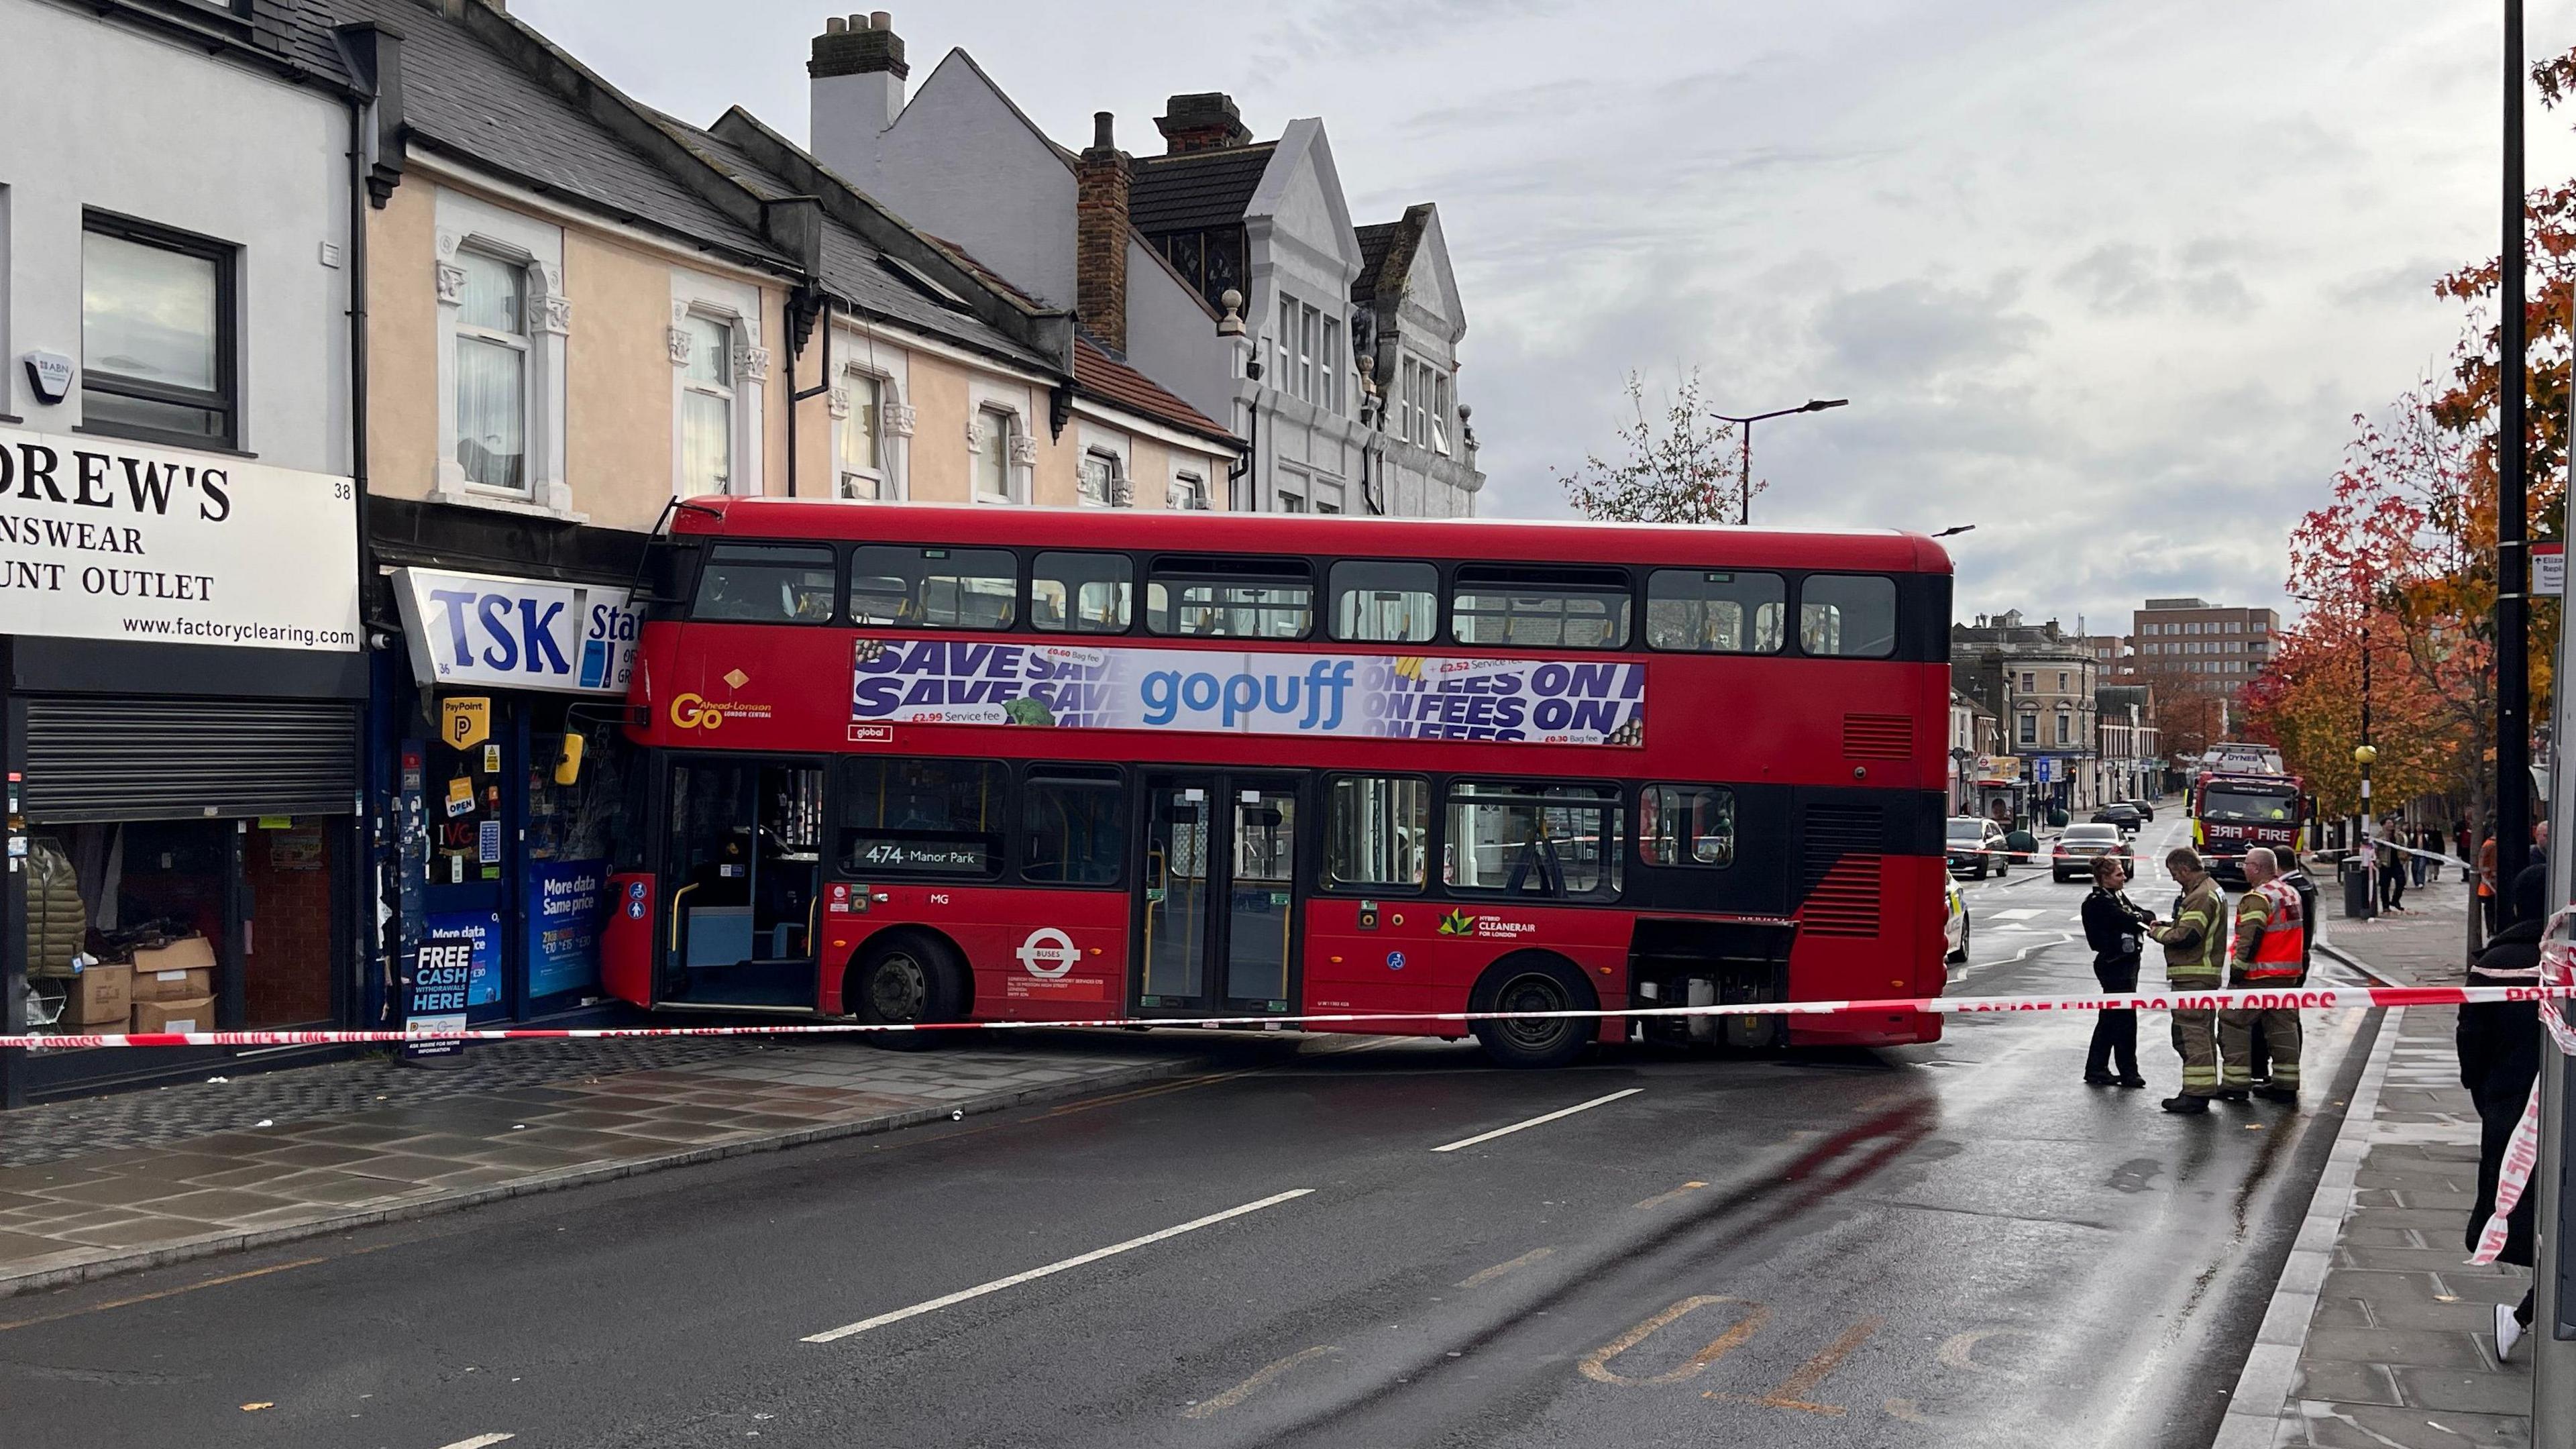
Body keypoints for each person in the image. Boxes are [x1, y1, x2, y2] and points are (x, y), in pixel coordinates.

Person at [2460, 865, 2546, 1358]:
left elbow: (2471, 1035)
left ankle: (2525, 1312)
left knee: (2524, 1206)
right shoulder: (2560, 961)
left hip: (2509, 1100)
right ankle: (2526, 1313)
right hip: (2542, 1099)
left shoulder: (2498, 960)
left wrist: (2484, 1091)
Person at [2219, 847, 2306, 1106]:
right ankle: (2286, 1084)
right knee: (2283, 1027)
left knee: (2232, 1021)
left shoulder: (2258, 898)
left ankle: (2235, 1083)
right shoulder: (2290, 892)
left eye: (2246, 864)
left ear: (2256, 868)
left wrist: (2238, 970)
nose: (2243, 868)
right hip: (2287, 973)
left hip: (2258, 975)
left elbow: (2250, 937)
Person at [2148, 847, 2230, 1114]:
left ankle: (2195, 1094)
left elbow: (2188, 936)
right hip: (2202, 977)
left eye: (2174, 873)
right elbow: (2190, 928)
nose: (2174, 879)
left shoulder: (2200, 896)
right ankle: (2202, 1088)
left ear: (2185, 869)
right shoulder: (2209, 889)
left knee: (2191, 1035)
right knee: (2201, 1034)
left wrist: (2159, 933)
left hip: (2194, 976)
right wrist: (2169, 925)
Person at [2080, 855, 2155, 1088]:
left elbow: (2145, 915)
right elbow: (2129, 919)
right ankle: (2127, 1071)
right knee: (2123, 1019)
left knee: (2111, 1018)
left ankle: (2097, 1068)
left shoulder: (2117, 896)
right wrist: (2138, 918)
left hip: (2126, 962)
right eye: (2119, 874)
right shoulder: (2098, 901)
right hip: (2114, 963)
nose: (2124, 877)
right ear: (2105, 878)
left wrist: (2140, 917)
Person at [2377, 825, 2408, 913]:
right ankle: (2385, 906)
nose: (2391, 825)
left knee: (2401, 881)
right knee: (2385, 886)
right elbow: (2376, 847)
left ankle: (2395, 900)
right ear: (2384, 825)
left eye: (2391, 823)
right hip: (2385, 863)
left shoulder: (2398, 835)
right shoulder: (2380, 836)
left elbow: (2403, 844)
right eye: (2388, 823)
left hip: (2396, 863)